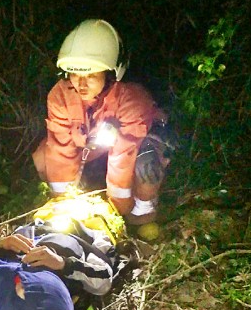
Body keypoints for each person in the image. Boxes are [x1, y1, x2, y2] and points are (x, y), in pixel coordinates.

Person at [31, 19, 171, 240]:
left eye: (91, 75)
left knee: (146, 167)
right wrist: (63, 201)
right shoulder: (60, 96)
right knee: (43, 157)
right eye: (74, 74)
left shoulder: (132, 98)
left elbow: (123, 157)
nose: (81, 84)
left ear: (110, 72)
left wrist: (117, 210)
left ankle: (143, 214)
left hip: (136, 147)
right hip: (94, 145)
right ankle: (87, 191)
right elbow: (60, 149)